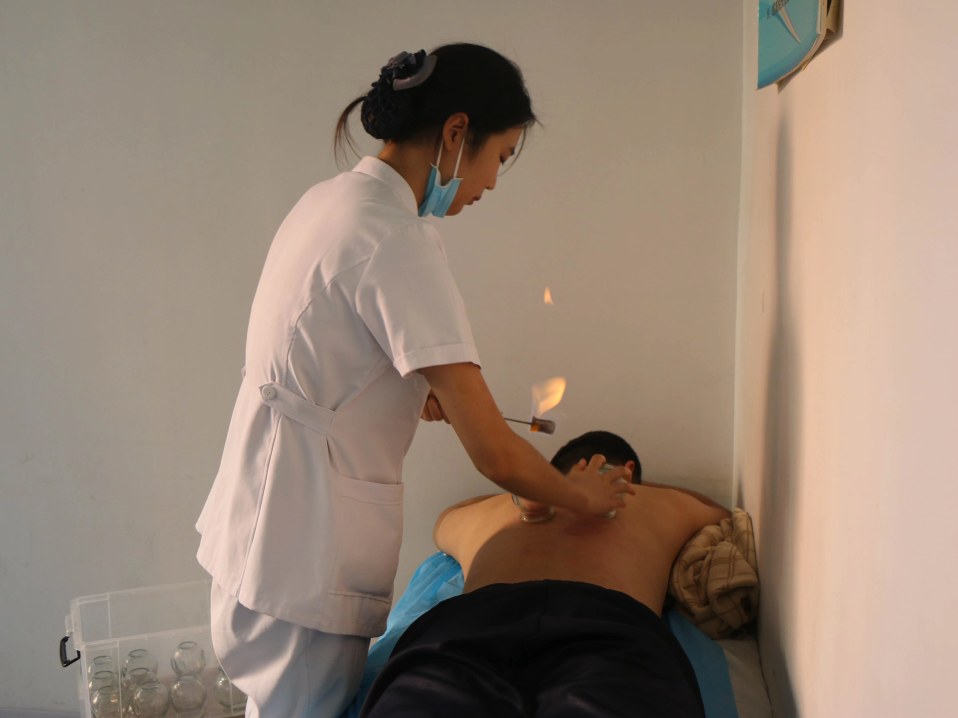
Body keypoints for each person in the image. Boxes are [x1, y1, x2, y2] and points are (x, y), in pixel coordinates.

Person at [194, 45, 633, 718]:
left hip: (259, 526)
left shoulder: (331, 202)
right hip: (303, 548)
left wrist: (404, 390)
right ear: (457, 133)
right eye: (500, 156)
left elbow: (320, 357)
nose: (492, 182)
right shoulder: (397, 238)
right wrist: (580, 496)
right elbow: (494, 451)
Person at [359, 431, 731, 718]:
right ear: (629, 471)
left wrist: (535, 487)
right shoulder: (657, 502)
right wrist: (623, 486)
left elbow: (443, 524)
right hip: (609, 630)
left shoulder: (493, 508)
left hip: (469, 629)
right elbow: (721, 513)